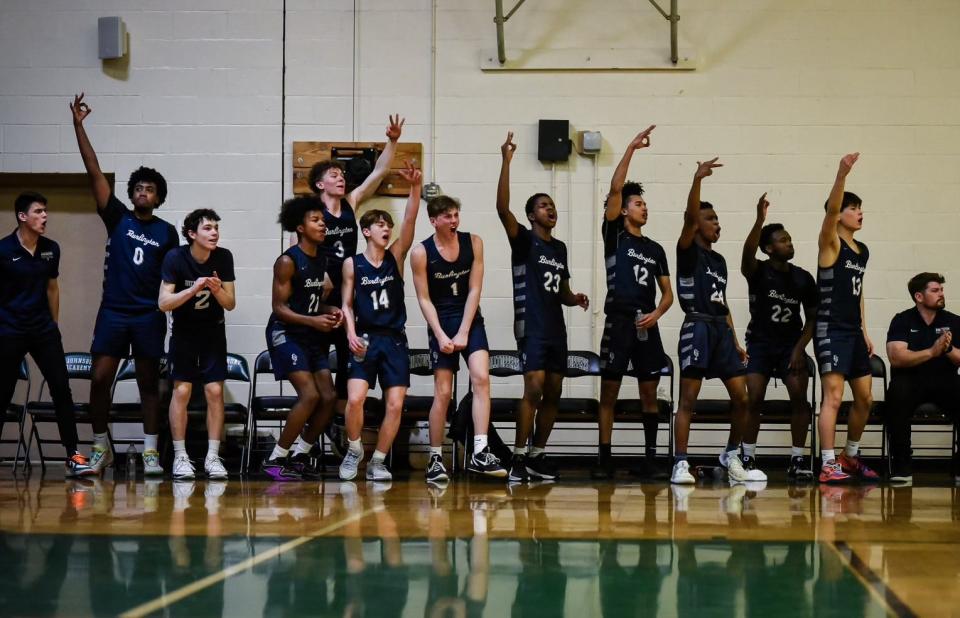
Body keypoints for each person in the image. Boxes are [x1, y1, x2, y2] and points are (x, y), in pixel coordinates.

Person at [70, 93, 179, 476]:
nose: (142, 192)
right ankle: (101, 447)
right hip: (114, 311)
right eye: (138, 187)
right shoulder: (117, 217)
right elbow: (94, 170)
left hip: (148, 314)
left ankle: (150, 452)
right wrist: (79, 127)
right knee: (99, 378)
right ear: (131, 193)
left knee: (150, 384)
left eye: (150, 189)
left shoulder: (167, 233)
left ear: (159, 198)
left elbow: (173, 280)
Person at [496, 132, 590, 482]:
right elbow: (501, 209)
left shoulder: (560, 248)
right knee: (532, 388)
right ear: (531, 215)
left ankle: (537, 455)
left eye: (552, 205)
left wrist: (575, 297)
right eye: (543, 205)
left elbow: (562, 291)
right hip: (531, 326)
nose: (551, 209)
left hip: (555, 327)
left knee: (553, 391)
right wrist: (506, 161)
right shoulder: (523, 240)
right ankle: (517, 458)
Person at [308, 115, 405, 451]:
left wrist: (392, 141)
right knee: (321, 376)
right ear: (321, 184)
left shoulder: (350, 204)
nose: (341, 178)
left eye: (342, 175)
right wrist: (319, 287)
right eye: (334, 175)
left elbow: (377, 173)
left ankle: (338, 428)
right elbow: (305, 253)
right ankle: (317, 435)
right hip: (322, 298)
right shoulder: (311, 213)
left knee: (349, 374)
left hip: (352, 293)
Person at [671, 158, 765, 485]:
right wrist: (697, 178)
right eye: (710, 218)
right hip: (696, 328)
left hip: (720, 331)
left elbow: (722, 305)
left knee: (743, 397)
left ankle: (730, 455)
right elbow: (688, 215)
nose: (717, 223)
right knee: (688, 400)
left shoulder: (720, 261)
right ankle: (681, 463)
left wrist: (735, 341)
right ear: (696, 224)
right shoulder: (687, 251)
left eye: (717, 219)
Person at [592, 126, 674, 479]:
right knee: (609, 392)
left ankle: (651, 459)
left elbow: (669, 293)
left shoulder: (655, 249)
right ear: (623, 211)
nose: (644, 208)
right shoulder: (615, 235)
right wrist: (630, 149)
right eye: (638, 203)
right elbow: (614, 188)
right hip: (619, 321)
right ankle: (605, 459)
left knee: (649, 393)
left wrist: (657, 313)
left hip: (646, 324)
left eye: (644, 203)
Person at [410, 194, 507, 483]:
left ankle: (480, 451)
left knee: (481, 378)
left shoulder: (473, 242)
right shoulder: (421, 252)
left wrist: (464, 330)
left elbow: (475, 289)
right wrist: (441, 334)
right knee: (442, 392)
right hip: (440, 320)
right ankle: (436, 457)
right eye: (447, 217)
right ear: (434, 221)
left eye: (456, 215)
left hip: (469, 318)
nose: (454, 221)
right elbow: (424, 299)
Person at [0, 192, 95, 477]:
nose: (44, 216)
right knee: (3, 393)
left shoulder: (51, 248)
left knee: (61, 390)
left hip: (43, 330)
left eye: (45, 211)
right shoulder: (3, 250)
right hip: (10, 330)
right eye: (38, 211)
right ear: (22, 216)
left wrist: (53, 325)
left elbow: (52, 288)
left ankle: (73, 456)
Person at [338, 163, 422, 482]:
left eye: (389, 224)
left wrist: (415, 187)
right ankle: (354, 448)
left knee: (395, 404)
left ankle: (379, 461)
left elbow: (411, 220)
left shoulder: (396, 257)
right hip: (365, 338)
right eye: (381, 225)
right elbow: (346, 304)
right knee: (356, 398)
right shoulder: (352, 265)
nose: (387, 229)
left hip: (395, 340)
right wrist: (349, 333)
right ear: (367, 231)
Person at [261, 197, 343, 481]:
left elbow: (311, 302)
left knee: (329, 397)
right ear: (300, 227)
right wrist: (313, 320)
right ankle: (275, 459)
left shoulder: (321, 258)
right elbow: (279, 308)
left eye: (323, 220)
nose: (322, 224)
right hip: (285, 332)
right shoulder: (287, 261)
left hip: (309, 332)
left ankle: (300, 454)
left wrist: (330, 310)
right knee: (309, 395)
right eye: (315, 220)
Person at [740, 193, 818, 480]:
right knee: (754, 399)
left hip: (790, 345)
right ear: (769, 248)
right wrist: (759, 220)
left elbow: (811, 318)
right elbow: (746, 255)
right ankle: (747, 457)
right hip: (760, 343)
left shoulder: (803, 277)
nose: (790, 243)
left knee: (799, 399)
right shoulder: (757, 270)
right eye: (783, 240)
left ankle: (797, 460)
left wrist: (800, 348)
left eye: (790, 238)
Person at [814, 153, 879, 483]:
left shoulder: (862, 250)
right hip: (830, 330)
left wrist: (865, 331)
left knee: (865, 398)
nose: (859, 213)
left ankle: (849, 456)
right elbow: (830, 211)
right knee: (834, 397)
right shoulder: (831, 243)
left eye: (860, 208)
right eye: (852, 208)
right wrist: (841, 174)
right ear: (838, 215)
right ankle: (827, 464)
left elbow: (859, 292)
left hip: (852, 332)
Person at [159, 209, 236, 480]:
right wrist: (193, 289)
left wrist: (216, 290)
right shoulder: (175, 257)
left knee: (215, 391)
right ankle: (181, 456)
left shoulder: (223, 257)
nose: (214, 232)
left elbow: (230, 304)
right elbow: (163, 303)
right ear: (192, 234)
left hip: (213, 333)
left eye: (216, 227)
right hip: (184, 333)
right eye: (208, 228)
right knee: (181, 392)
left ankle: (213, 457)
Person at [885, 273, 960, 482]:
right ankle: (901, 465)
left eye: (942, 290)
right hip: (910, 379)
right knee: (896, 396)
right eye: (935, 291)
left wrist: (948, 348)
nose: (941, 294)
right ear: (919, 296)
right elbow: (896, 357)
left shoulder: (953, 321)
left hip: (945, 379)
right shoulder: (902, 320)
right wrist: (931, 352)